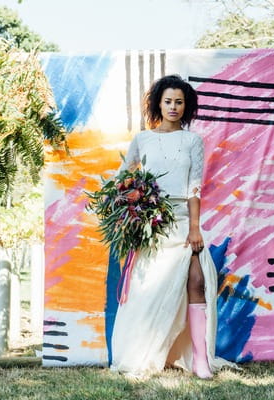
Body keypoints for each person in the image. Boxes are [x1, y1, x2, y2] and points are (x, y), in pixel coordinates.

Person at [110, 74, 233, 378]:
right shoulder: (143, 139)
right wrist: (132, 208)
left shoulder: (193, 140)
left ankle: (201, 360)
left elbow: (194, 188)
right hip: (153, 226)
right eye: (168, 101)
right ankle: (145, 354)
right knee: (148, 291)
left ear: (186, 106)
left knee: (198, 282)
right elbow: (122, 178)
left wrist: (195, 228)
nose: (174, 107)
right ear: (158, 104)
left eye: (179, 102)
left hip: (182, 222)